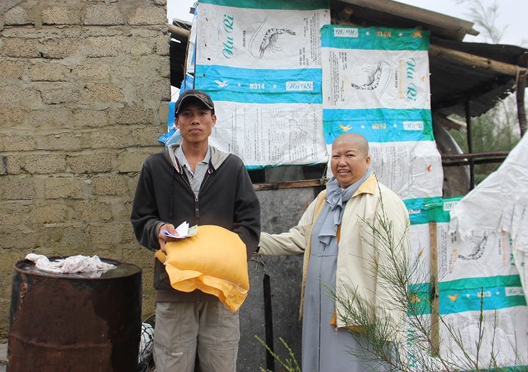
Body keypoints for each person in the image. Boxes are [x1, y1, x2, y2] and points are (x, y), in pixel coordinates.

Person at [131, 89, 261, 372]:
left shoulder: (232, 168)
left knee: (220, 365)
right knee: (172, 364)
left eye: (202, 113)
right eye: (187, 114)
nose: (195, 120)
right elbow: (141, 219)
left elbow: (250, 223)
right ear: (177, 122)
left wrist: (228, 259)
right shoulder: (156, 167)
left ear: (213, 120)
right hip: (174, 288)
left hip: (220, 290)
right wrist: (158, 229)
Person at [258, 132, 409, 372]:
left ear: (367, 160)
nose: (342, 162)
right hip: (319, 308)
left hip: (356, 313)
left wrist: (388, 326)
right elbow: (299, 239)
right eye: (336, 156)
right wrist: (251, 242)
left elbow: (393, 267)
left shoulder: (383, 202)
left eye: (350, 155)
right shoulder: (324, 199)